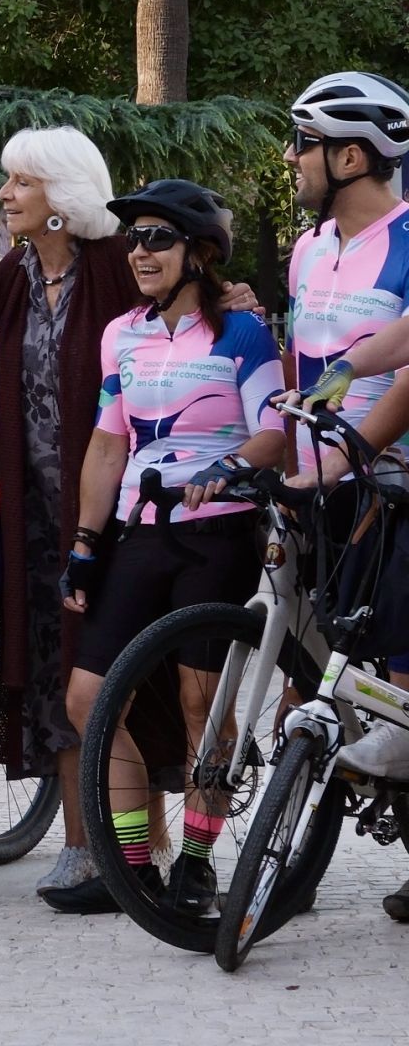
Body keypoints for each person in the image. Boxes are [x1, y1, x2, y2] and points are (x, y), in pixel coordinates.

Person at [41, 181, 285, 915]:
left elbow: (275, 430)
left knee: (200, 702)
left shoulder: (241, 332)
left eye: (158, 238)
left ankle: (201, 861)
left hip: (217, 533)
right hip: (140, 532)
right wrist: (85, 542)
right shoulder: (124, 333)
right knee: (89, 699)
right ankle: (136, 866)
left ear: (200, 253)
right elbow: (108, 441)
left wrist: (230, 466)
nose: (139, 251)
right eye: (134, 238)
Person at [275, 71, 409, 919]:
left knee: (396, 678)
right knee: (312, 674)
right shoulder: (306, 247)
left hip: (387, 479)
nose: (290, 159)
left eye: (303, 143)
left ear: (350, 155)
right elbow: (304, 367)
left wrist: (358, 446)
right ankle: (286, 863)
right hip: (315, 476)